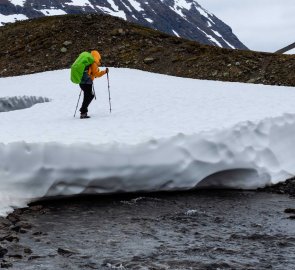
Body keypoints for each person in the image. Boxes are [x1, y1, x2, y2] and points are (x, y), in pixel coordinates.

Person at [79, 50, 108, 119]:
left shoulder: (88, 62)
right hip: (87, 83)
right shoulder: (93, 63)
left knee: (87, 96)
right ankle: (83, 112)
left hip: (82, 82)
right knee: (89, 96)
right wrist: (105, 72)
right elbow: (96, 74)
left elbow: (92, 73)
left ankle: (83, 112)